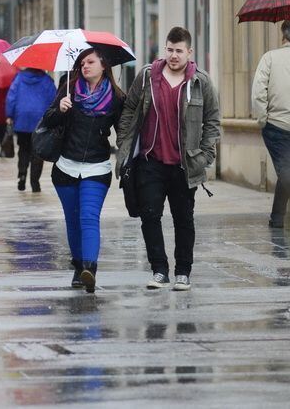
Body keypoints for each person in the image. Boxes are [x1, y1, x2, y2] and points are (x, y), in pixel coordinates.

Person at [117, 26, 221, 292]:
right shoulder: (147, 77)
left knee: (183, 219)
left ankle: (183, 272)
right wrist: (124, 143)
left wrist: (206, 154)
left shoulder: (201, 82)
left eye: (179, 51)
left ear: (189, 52)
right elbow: (129, 109)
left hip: (185, 165)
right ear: (165, 49)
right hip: (150, 161)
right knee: (150, 216)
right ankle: (159, 270)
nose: (173, 55)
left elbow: (212, 120)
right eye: (170, 49)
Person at [40, 49, 125, 293]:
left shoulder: (117, 97)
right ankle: (79, 266)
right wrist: (60, 109)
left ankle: (90, 268)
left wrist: (129, 158)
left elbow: (124, 131)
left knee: (89, 217)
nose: (85, 66)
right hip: (66, 167)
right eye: (82, 63)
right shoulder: (68, 87)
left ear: (103, 65)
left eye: (90, 62)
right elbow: (47, 120)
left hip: (97, 168)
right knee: (73, 220)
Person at [253, 21, 290, 229]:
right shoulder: (271, 57)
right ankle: (277, 218)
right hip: (278, 126)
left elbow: (258, 92)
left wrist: (262, 120)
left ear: (283, 34)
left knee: (286, 172)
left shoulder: (269, 58)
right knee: (287, 172)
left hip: (276, 126)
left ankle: (277, 218)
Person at [5, 68, 58, 192]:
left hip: (22, 119)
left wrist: (9, 115)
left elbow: (11, 98)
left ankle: (22, 174)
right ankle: (35, 182)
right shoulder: (47, 80)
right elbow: (54, 100)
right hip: (40, 121)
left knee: (23, 149)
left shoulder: (19, 78)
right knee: (37, 152)